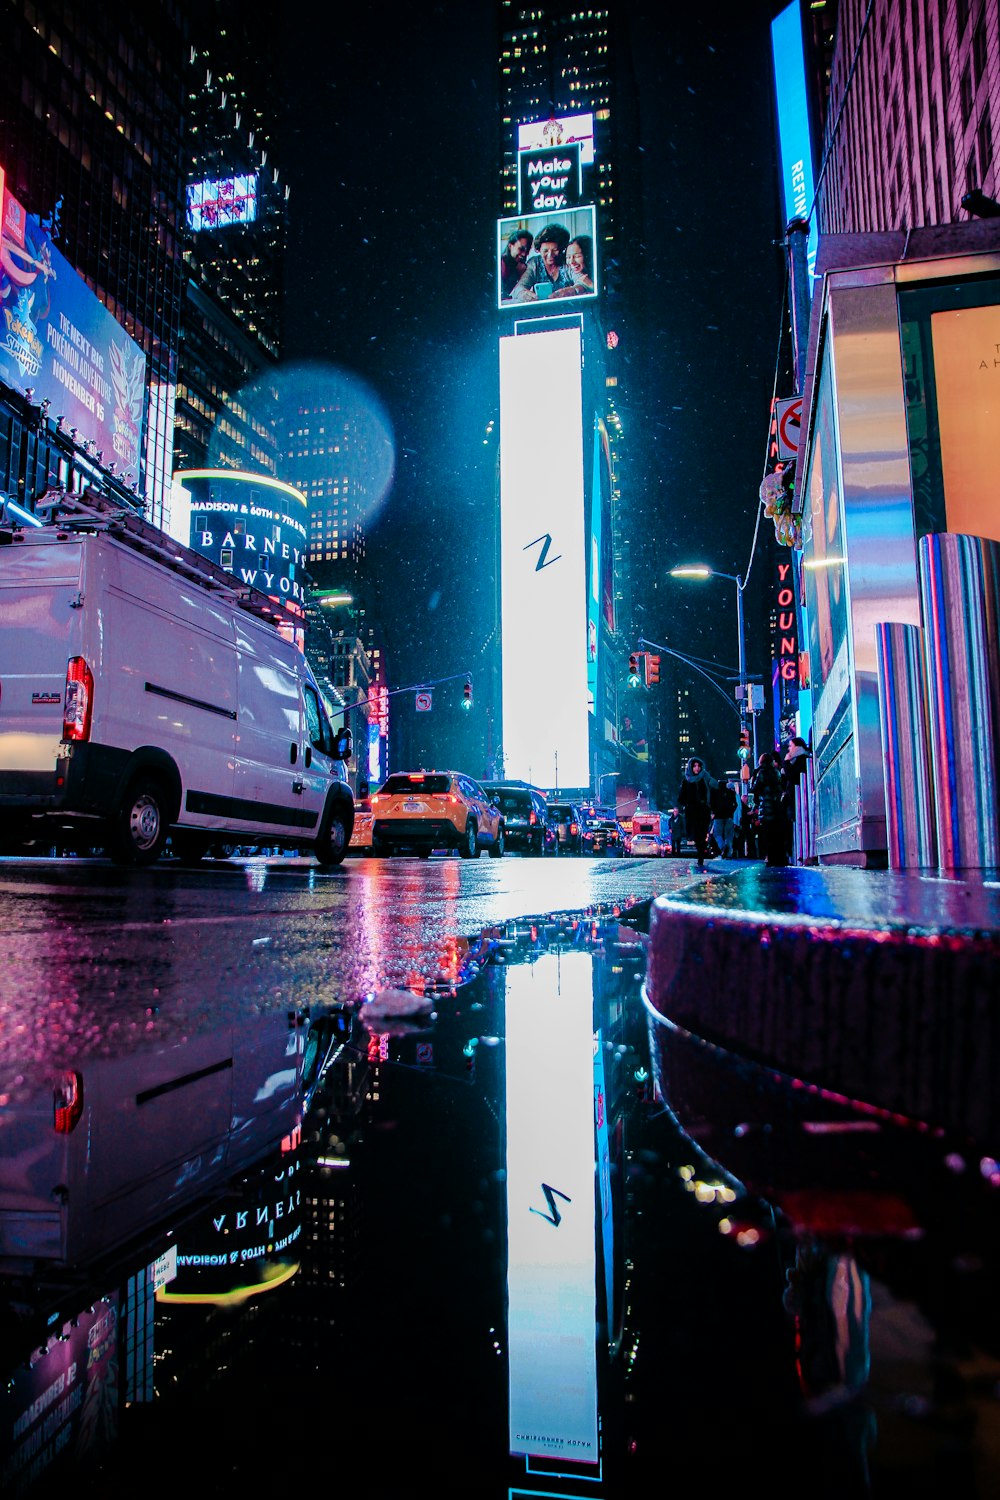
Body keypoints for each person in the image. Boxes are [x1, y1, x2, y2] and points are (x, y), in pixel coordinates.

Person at [509, 223, 575, 301]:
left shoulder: (568, 261)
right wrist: (524, 294)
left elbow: (582, 282)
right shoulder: (534, 263)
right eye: (545, 251)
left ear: (561, 249)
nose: (550, 255)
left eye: (555, 250)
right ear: (539, 249)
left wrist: (572, 291)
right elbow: (518, 289)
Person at [677, 756, 717, 871]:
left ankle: (701, 856)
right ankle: (701, 853)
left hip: (703, 810)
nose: (697, 768)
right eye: (694, 766)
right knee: (695, 835)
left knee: (702, 833)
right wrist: (685, 804)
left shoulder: (705, 778)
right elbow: (681, 797)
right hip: (691, 811)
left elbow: (713, 790)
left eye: (699, 766)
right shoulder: (686, 780)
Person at [750, 750, 787, 867]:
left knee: (767, 835)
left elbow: (755, 788)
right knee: (776, 834)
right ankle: (778, 858)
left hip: (766, 807)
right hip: (776, 806)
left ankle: (770, 858)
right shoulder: (776, 772)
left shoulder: (761, 773)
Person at [499, 228, 533, 301]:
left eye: (527, 250)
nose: (524, 254)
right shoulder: (500, 264)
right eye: (521, 249)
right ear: (510, 246)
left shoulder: (524, 266)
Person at [709, 776, 738, 858]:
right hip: (728, 817)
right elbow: (735, 804)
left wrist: (713, 812)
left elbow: (711, 803)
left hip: (718, 816)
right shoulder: (731, 793)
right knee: (729, 835)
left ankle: (722, 847)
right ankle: (728, 852)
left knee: (717, 834)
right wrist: (731, 812)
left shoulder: (714, 792)